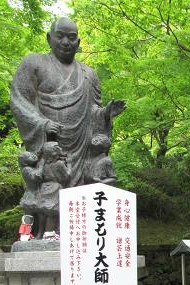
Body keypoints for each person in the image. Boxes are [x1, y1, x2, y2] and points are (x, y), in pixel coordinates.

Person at [10, 17, 125, 190]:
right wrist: (42, 124)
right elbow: (19, 100)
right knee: (52, 196)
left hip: (82, 148)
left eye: (71, 37)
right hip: (52, 145)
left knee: (83, 199)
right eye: (60, 36)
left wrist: (105, 114)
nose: (66, 42)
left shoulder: (89, 74)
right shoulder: (34, 63)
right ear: (49, 38)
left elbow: (92, 111)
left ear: (78, 42)